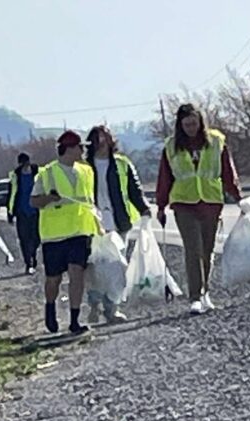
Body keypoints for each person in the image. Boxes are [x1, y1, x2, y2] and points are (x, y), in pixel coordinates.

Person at [156, 103, 243, 314]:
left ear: (200, 122)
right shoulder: (171, 145)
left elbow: (227, 172)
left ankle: (205, 293)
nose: (191, 128)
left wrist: (238, 197)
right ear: (180, 125)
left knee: (207, 250)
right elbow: (164, 177)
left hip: (211, 202)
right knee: (193, 249)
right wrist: (161, 205)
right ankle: (194, 296)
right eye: (186, 124)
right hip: (184, 203)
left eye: (194, 123)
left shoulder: (216, 141)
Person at [30, 130, 101, 335]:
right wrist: (49, 198)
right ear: (69, 149)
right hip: (54, 235)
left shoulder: (87, 171)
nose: (83, 151)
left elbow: (90, 200)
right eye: (81, 147)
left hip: (80, 232)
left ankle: (74, 320)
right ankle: (50, 308)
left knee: (76, 273)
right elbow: (33, 201)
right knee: (54, 279)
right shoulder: (47, 173)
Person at [84, 125, 151, 323]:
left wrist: (144, 208)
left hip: (118, 221)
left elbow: (134, 190)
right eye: (97, 139)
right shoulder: (84, 166)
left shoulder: (123, 164)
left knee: (117, 266)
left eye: (104, 138)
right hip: (92, 224)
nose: (101, 142)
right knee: (95, 268)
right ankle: (94, 305)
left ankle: (112, 308)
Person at [8, 152, 40, 275]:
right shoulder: (15, 176)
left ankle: (33, 256)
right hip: (21, 211)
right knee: (24, 238)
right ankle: (29, 263)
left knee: (36, 238)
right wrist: (10, 213)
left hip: (36, 210)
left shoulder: (37, 173)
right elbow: (11, 194)